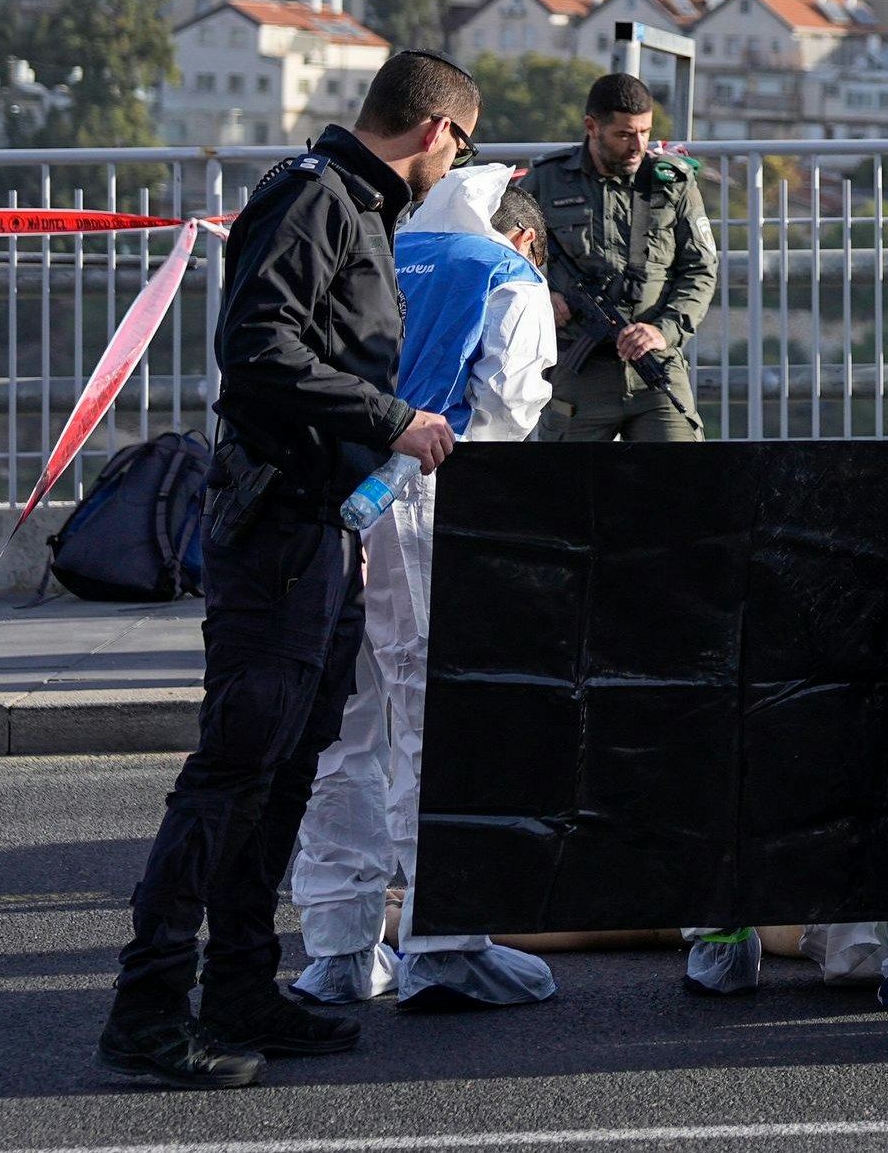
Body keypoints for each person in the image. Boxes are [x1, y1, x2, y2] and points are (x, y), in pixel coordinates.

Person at [101, 50, 473, 1091]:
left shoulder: (348, 200)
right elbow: (258, 352)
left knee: (287, 768)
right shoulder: (317, 200)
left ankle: (241, 987)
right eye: (461, 146)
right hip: (277, 528)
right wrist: (394, 420)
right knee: (233, 773)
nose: (454, 164)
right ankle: (149, 1006)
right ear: (437, 130)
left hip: (315, 527)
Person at [287, 164, 560, 1012]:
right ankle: (444, 941)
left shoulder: (380, 249)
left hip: (333, 493)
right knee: (435, 719)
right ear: (523, 238)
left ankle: (337, 947)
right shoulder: (505, 276)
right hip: (432, 496)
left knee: (343, 721)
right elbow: (511, 407)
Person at [527, 72, 716, 442]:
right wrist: (539, 298)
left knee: (690, 484)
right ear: (592, 127)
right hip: (578, 371)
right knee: (561, 493)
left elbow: (701, 269)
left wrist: (664, 330)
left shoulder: (672, 182)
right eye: (625, 134)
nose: (638, 145)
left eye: (645, 132)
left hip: (655, 369)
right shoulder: (546, 180)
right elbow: (501, 256)